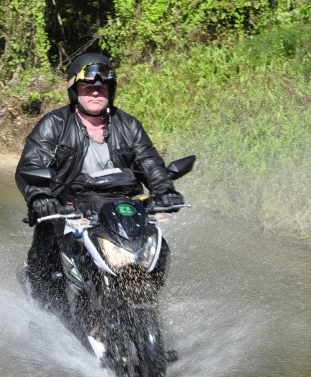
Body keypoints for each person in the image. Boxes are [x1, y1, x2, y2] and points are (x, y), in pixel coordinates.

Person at [15, 52, 184, 308]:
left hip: (119, 211)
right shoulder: (55, 124)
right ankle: (47, 313)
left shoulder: (128, 125)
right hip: (68, 210)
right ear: (74, 90)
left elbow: (150, 164)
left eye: (101, 88)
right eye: (87, 87)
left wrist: (165, 190)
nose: (95, 93)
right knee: (47, 264)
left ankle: (144, 304)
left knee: (157, 249)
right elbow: (31, 166)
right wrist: (40, 197)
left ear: (110, 90)